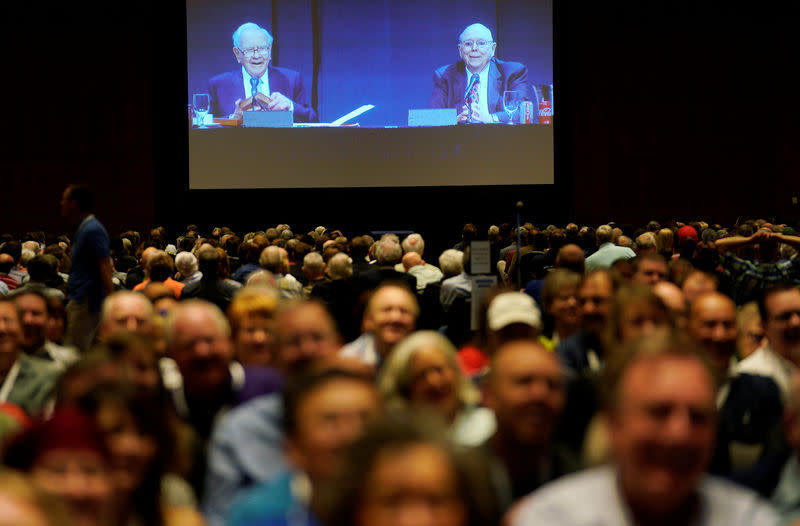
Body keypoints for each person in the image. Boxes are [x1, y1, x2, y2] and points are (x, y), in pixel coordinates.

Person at [509, 329, 780, 526]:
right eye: (659, 413)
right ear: (614, 423)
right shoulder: (550, 519)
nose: (679, 434)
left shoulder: (752, 519)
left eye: (698, 417)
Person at [226, 368, 382, 526]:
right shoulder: (258, 516)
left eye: (365, 418)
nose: (351, 434)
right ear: (293, 445)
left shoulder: (403, 509)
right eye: (330, 420)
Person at [377, 330, 494, 446]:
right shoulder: (396, 444)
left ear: (455, 372)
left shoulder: (488, 428)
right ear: (406, 389)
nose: (434, 382)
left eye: (439, 370)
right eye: (421, 375)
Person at [207, 22, 317, 122]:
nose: (257, 56)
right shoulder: (218, 85)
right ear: (237, 54)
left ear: (269, 51)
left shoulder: (292, 79)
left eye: (262, 49)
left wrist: (291, 107)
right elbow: (204, 126)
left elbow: (313, 120)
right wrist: (233, 119)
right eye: (249, 50)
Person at [429, 23, 531, 124]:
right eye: (468, 43)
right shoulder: (445, 75)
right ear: (460, 50)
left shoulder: (512, 72)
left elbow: (523, 112)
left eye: (481, 43)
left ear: (492, 49)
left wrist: (490, 118)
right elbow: (433, 116)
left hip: (500, 137)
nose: (474, 48)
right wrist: (455, 120)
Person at [60, 184, 114, 351]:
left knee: (75, 351)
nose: (61, 203)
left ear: (74, 203)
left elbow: (105, 266)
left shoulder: (92, 229)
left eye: (64, 199)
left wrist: (112, 303)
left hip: (86, 301)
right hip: (82, 298)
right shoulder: (85, 228)